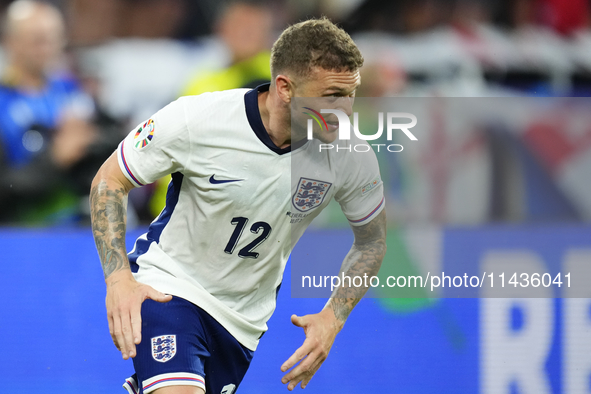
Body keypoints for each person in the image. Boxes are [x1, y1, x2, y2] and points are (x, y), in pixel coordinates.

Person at [90, 17, 387, 394]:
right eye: (330, 96)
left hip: (242, 324)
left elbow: (372, 242)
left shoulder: (350, 155)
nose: (344, 110)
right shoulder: (198, 119)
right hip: (170, 287)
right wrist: (117, 280)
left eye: (351, 94)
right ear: (285, 88)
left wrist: (333, 317)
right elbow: (109, 180)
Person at [0, 0, 97, 225]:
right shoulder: (3, 103)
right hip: (18, 233)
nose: (48, 47)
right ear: (11, 42)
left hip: (76, 227)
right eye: (38, 39)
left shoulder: (73, 91)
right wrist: (55, 158)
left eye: (54, 38)